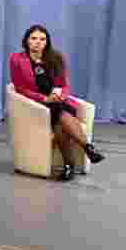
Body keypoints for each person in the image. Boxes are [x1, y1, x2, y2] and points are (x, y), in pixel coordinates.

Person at [9, 24, 104, 181]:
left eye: (42, 39)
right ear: (26, 41)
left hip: (58, 102)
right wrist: (44, 99)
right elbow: (19, 88)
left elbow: (64, 85)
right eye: (33, 38)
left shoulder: (57, 57)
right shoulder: (17, 59)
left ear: (47, 42)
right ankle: (87, 148)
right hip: (37, 105)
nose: (38, 42)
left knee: (59, 118)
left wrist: (60, 95)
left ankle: (70, 166)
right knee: (58, 115)